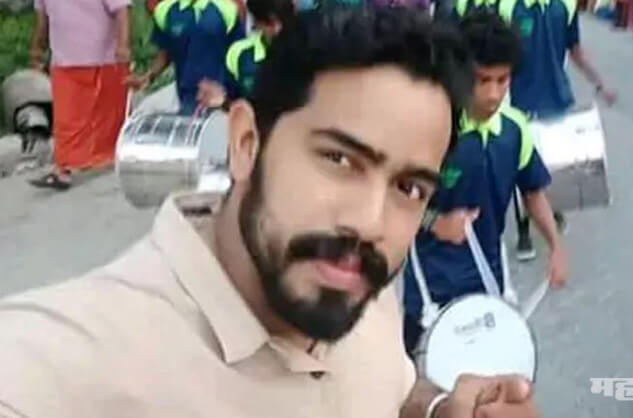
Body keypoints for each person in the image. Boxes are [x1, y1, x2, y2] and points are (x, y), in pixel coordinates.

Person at [0, 8, 542, 418]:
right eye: (339, 159)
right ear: (245, 143)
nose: (370, 222)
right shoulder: (58, 364)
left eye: (409, 187)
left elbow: (387, 388)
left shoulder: (356, 286)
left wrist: (439, 409)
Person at [402, 9, 568, 355]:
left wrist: (556, 246)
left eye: (502, 80)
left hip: (488, 284)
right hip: (431, 291)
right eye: (483, 80)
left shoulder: (515, 129)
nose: (493, 94)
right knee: (419, 376)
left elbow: (533, 193)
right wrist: (436, 223)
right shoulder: (433, 128)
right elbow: (394, 201)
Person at [494, 0, 617, 260]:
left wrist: (600, 82)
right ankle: (525, 231)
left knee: (552, 165)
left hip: (556, 97)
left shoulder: (566, 5)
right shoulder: (507, 6)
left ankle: (550, 209)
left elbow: (575, 49)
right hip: (520, 101)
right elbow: (498, 54)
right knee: (522, 167)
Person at [27, 0, 131, 190]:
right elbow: (42, 18)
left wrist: (123, 45)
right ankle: (63, 168)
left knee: (105, 116)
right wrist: (37, 48)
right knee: (66, 119)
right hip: (64, 62)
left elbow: (122, 10)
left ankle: (107, 158)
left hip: (104, 60)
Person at [128, 0, 246, 114]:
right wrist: (149, 77)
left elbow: (240, 55)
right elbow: (164, 55)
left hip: (224, 96)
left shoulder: (228, 8)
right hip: (188, 96)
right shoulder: (165, 11)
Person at [197, 0, 295, 108]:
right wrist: (223, 101)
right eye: (268, 23)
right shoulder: (239, 53)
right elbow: (233, 104)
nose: (277, 29)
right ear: (257, 23)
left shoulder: (305, 51)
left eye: (283, 20)